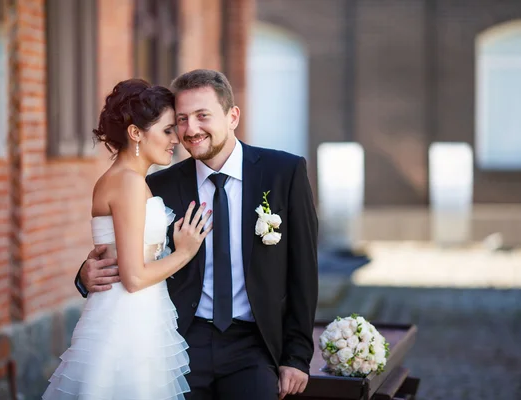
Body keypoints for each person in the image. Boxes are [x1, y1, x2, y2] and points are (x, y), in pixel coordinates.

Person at [76, 69, 319, 400]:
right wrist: (85, 274)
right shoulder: (157, 185)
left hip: (253, 344)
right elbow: (132, 249)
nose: (190, 130)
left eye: (202, 116)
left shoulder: (284, 173)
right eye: (181, 119)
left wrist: (297, 357)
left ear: (232, 116)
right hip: (179, 341)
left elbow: (303, 272)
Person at [43, 79, 212, 399]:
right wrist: (185, 252)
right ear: (136, 133)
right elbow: (134, 277)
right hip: (127, 317)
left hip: (135, 311)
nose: (175, 138)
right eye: (166, 130)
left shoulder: (126, 180)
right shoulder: (129, 184)